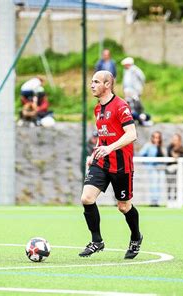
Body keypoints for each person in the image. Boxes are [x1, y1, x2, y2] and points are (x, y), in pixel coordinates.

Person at [79, 70, 142, 259]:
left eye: (96, 82)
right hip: (102, 161)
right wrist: (96, 152)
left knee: (123, 206)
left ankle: (136, 237)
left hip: (121, 165)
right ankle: (97, 241)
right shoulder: (98, 109)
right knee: (87, 198)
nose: (92, 85)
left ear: (107, 85)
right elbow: (104, 135)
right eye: (91, 81)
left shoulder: (121, 106)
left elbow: (132, 134)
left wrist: (110, 148)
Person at [139, 131, 165, 207]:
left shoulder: (161, 146)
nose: (156, 139)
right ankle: (153, 201)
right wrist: (147, 162)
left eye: (158, 137)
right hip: (152, 167)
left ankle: (157, 201)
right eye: (155, 137)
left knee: (160, 185)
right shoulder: (148, 145)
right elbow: (141, 153)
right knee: (153, 184)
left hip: (160, 168)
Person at [166, 133, 183, 207]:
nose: (174, 141)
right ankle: (169, 201)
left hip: (178, 169)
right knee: (169, 185)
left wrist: (178, 156)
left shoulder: (181, 147)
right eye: (174, 139)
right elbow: (169, 154)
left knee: (176, 186)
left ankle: (175, 201)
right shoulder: (169, 147)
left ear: (179, 140)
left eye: (176, 139)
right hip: (170, 168)